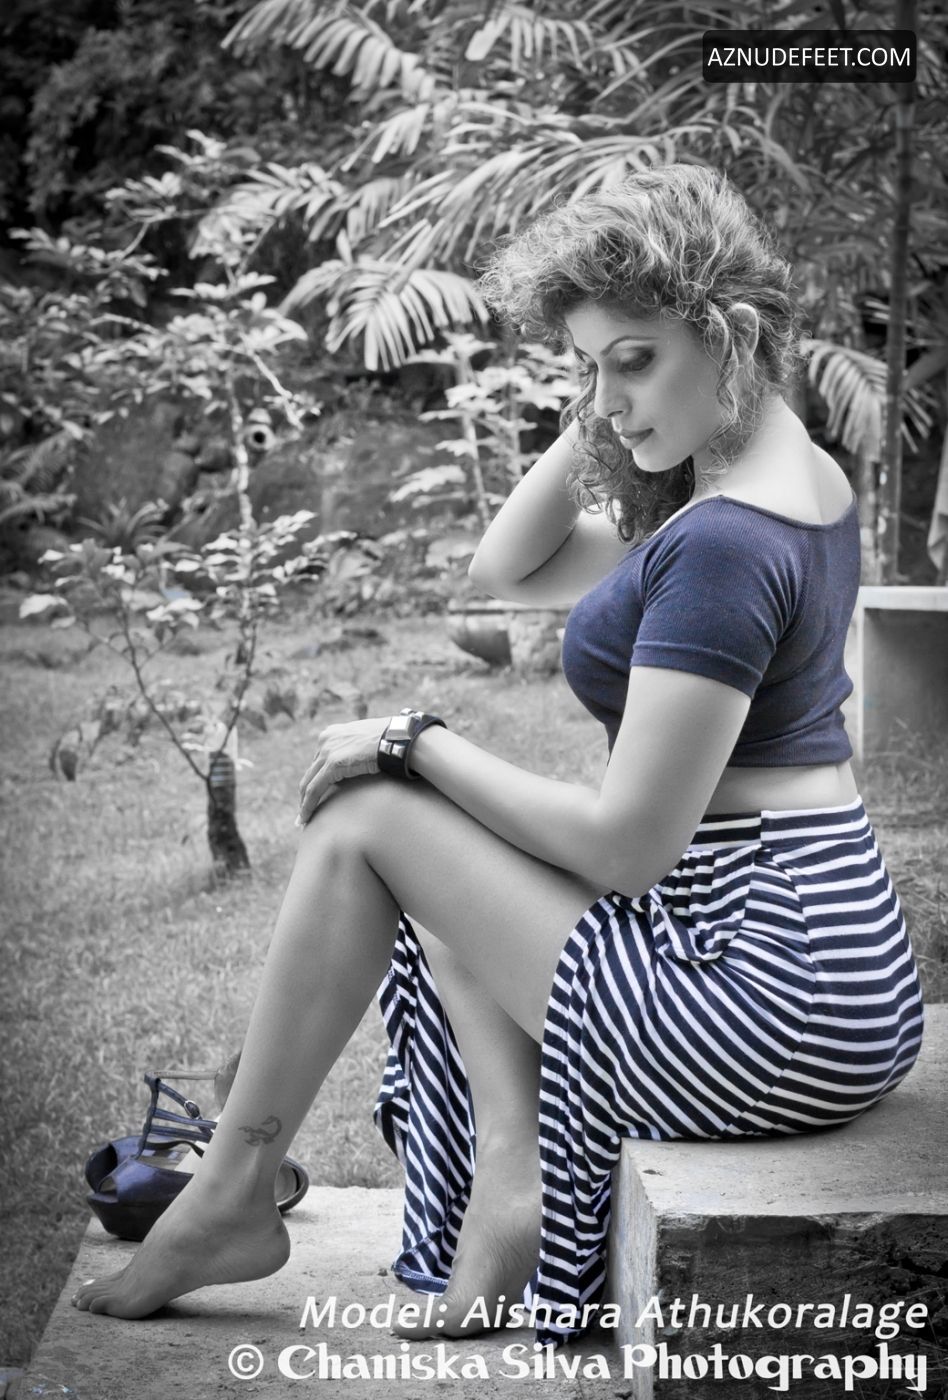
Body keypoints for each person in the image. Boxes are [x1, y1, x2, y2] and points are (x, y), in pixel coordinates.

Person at [72, 164, 924, 1343]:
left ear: (728, 336)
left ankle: (230, 1192)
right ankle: (506, 1187)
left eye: (635, 360)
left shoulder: (726, 542)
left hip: (762, 996)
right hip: (832, 972)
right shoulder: (778, 476)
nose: (608, 400)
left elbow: (626, 849)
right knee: (451, 851)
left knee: (371, 817)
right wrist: (611, 400)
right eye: (588, 367)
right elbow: (507, 568)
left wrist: (417, 742)